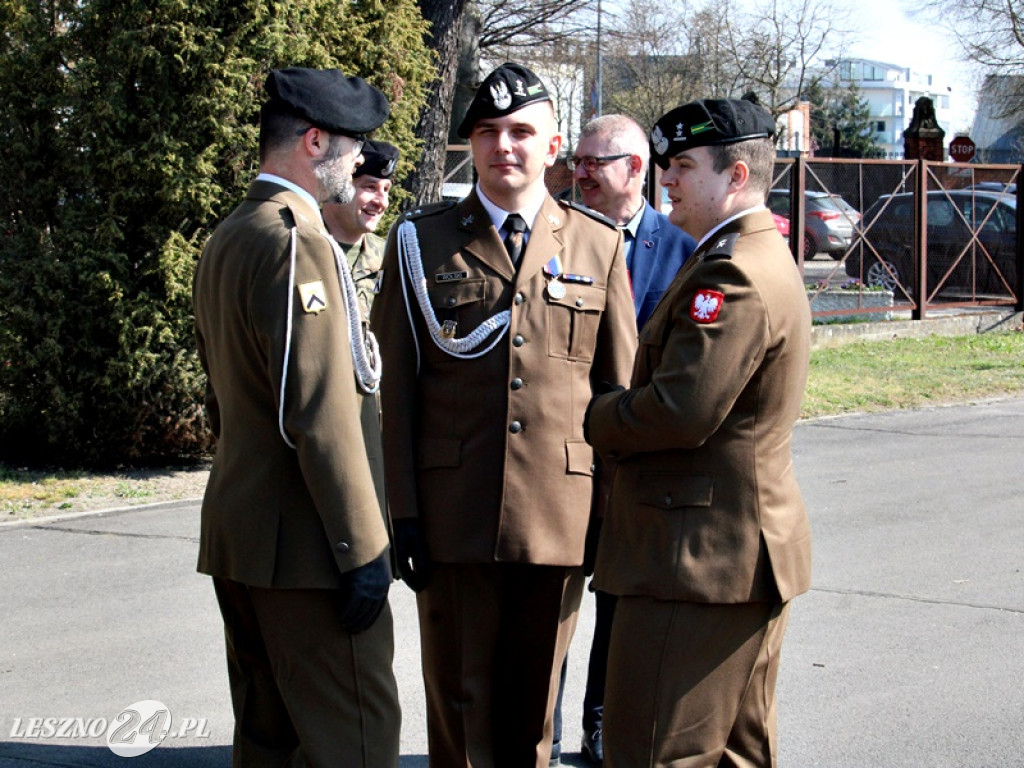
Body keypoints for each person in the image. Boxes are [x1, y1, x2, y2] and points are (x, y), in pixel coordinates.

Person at [369, 62, 637, 768]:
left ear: (553, 146)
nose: (503, 146)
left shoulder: (598, 243)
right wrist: (402, 513)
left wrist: (611, 516)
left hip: (560, 514)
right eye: (487, 132)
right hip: (452, 515)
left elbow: (616, 392)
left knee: (532, 717)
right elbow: (395, 394)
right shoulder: (421, 241)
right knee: (459, 718)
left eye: (521, 131)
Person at [584, 98, 812, 766]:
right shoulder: (742, 254)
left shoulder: (732, 271)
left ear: (736, 176)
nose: (667, 179)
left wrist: (592, 413)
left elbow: (681, 410)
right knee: (737, 753)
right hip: (728, 556)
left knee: (654, 752)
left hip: (697, 561)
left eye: (684, 166)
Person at [192, 67, 401, 768]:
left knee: (268, 742)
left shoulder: (233, 232)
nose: (360, 160)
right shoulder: (296, 240)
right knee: (358, 742)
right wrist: (363, 549)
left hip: (246, 536)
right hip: (309, 550)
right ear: (315, 142)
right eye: (353, 145)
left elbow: (226, 397)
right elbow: (318, 412)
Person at [552, 113, 696, 766]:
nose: (580, 173)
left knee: (619, 606)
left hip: (633, 463)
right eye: (577, 161)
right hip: (559, 457)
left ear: (635, 168)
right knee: (550, 605)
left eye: (594, 162)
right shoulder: (552, 236)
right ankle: (539, 732)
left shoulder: (681, 250)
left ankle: (600, 724)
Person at [322, 138, 400, 507]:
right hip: (320, 430)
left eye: (386, 190)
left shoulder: (392, 258)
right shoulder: (303, 250)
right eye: (369, 187)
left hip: (378, 435)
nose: (380, 201)